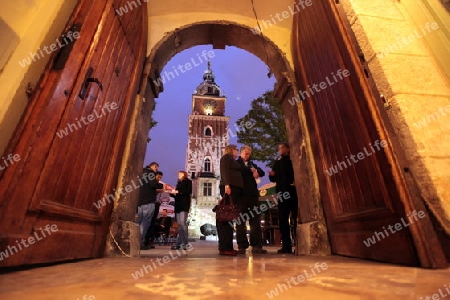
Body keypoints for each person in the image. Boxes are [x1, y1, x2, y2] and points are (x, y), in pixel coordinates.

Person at [236, 145, 267, 254]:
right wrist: (251, 171)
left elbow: (262, 172)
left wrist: (256, 171)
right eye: (246, 153)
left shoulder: (252, 164)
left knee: (255, 221)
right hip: (242, 196)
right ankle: (242, 246)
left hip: (253, 196)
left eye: (249, 154)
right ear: (241, 153)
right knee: (241, 221)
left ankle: (256, 245)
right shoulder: (237, 163)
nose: (248, 156)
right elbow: (240, 171)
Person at [269, 143, 298, 254]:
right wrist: (271, 175)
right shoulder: (278, 161)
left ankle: (298, 244)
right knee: (283, 219)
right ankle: (286, 246)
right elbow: (274, 178)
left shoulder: (293, 158)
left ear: (287, 149)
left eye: (282, 148)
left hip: (293, 191)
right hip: (282, 193)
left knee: (296, 218)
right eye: (279, 148)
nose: (280, 150)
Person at [218, 144, 243, 256]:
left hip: (233, 188)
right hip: (229, 188)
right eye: (236, 149)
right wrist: (227, 185)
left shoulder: (231, 159)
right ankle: (225, 247)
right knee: (227, 216)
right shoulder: (226, 158)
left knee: (230, 216)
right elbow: (224, 171)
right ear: (231, 150)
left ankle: (227, 246)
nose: (237, 151)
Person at [137, 162, 164, 250]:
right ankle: (140, 243)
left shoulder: (141, 172)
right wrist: (162, 186)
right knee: (145, 223)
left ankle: (133, 242)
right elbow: (153, 184)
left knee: (138, 222)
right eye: (156, 168)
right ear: (153, 166)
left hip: (140, 201)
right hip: (148, 201)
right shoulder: (150, 173)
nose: (157, 170)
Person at [171, 171, 192, 250]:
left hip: (184, 205)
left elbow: (188, 191)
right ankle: (179, 243)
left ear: (184, 174)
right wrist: (172, 193)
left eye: (179, 173)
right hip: (178, 206)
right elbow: (177, 195)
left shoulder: (188, 182)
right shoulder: (178, 183)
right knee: (180, 225)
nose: (178, 175)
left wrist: (178, 192)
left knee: (183, 224)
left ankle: (185, 243)